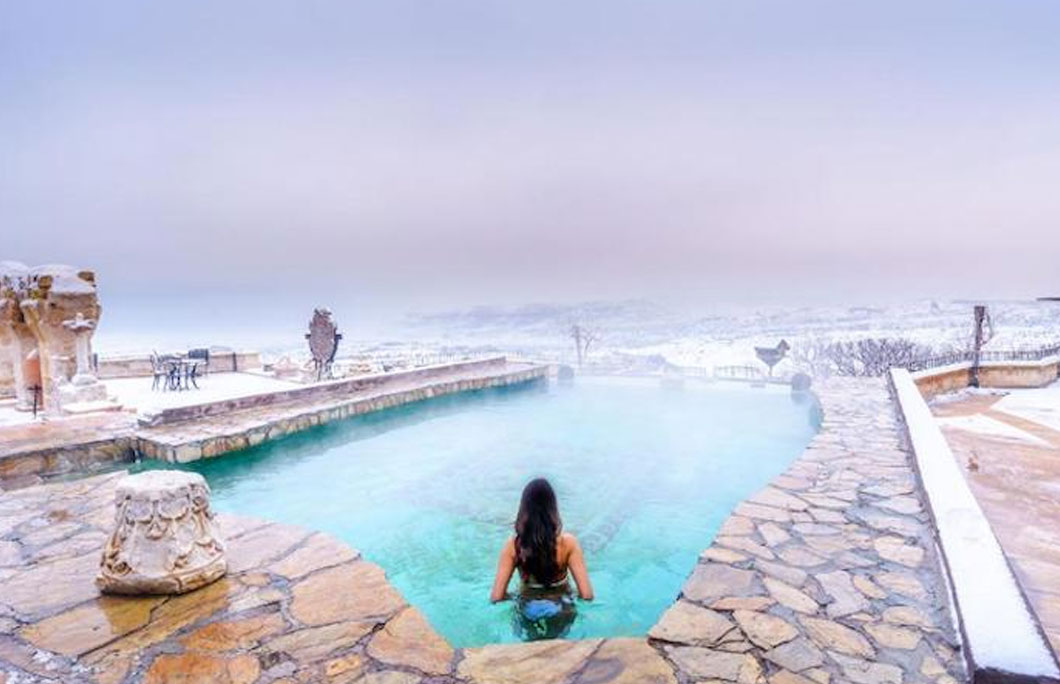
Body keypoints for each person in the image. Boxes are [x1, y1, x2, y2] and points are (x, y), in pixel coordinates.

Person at [490, 478, 594, 639]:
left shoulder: (513, 546)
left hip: (528, 609)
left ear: (523, 509)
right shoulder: (569, 543)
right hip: (561, 607)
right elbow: (587, 595)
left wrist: (519, 597)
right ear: (553, 509)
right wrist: (568, 596)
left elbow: (497, 597)